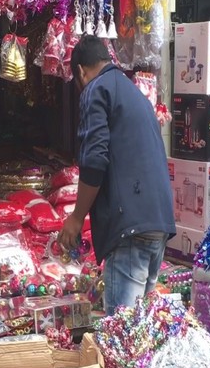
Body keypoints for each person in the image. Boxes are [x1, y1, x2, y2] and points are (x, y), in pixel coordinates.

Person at [57, 35, 175, 316]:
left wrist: (76, 217)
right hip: (158, 223)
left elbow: (94, 160)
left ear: (80, 72)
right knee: (141, 332)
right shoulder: (134, 93)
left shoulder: (95, 89)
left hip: (130, 228)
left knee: (122, 335)